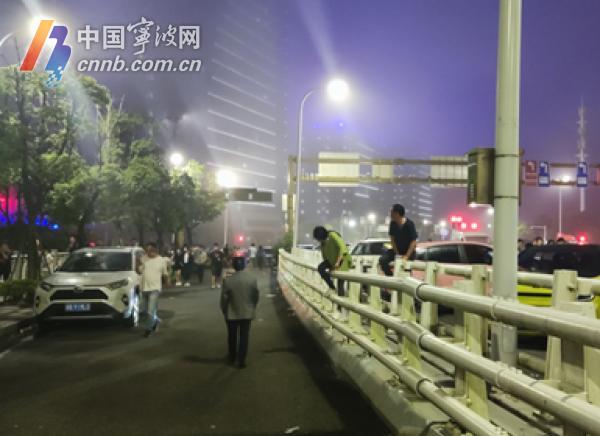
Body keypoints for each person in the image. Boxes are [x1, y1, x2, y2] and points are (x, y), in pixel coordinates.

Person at [220, 254, 259, 368]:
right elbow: (255, 296)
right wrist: (252, 307)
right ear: (244, 265)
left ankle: (232, 357)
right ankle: (241, 360)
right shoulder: (252, 279)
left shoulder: (228, 281)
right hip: (247, 313)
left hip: (231, 313)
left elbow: (224, 299)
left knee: (232, 337)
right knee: (244, 337)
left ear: (233, 266)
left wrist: (224, 310)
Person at [139, 242, 170, 337]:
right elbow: (139, 271)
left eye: (150, 250)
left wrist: (167, 282)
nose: (148, 252)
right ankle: (155, 322)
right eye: (147, 250)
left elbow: (165, 273)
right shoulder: (143, 259)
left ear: (155, 250)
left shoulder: (161, 260)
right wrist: (137, 263)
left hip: (155, 289)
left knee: (150, 311)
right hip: (144, 288)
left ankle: (148, 329)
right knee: (143, 310)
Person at [378, 204, 418, 276]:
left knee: (405, 270)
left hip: (408, 252)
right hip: (396, 251)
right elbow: (392, 239)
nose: (390, 214)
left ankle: (406, 279)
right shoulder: (392, 224)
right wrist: (397, 253)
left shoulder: (409, 224)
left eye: (391, 212)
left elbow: (413, 242)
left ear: (397, 214)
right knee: (382, 260)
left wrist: (406, 256)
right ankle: (391, 277)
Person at [313, 226, 352, 296]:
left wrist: (338, 262)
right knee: (320, 268)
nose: (319, 241)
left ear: (322, 236)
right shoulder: (323, 243)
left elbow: (343, 247)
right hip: (332, 261)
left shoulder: (333, 235)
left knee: (340, 285)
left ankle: (340, 302)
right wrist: (331, 267)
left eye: (318, 239)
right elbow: (325, 257)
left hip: (343, 260)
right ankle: (332, 287)